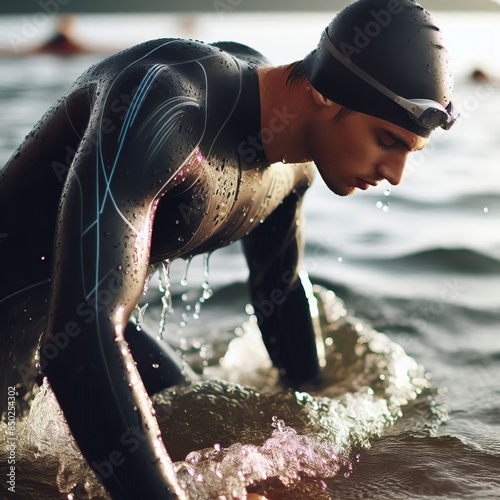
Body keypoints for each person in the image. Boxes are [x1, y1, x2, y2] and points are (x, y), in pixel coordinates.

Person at [0, 0, 457, 498]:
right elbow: (85, 331)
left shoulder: (293, 162)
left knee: (201, 419)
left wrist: (322, 423)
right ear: (327, 94)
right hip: (43, 330)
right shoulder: (168, 109)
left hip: (57, 326)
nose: (394, 174)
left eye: (409, 152)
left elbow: (278, 293)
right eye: (387, 139)